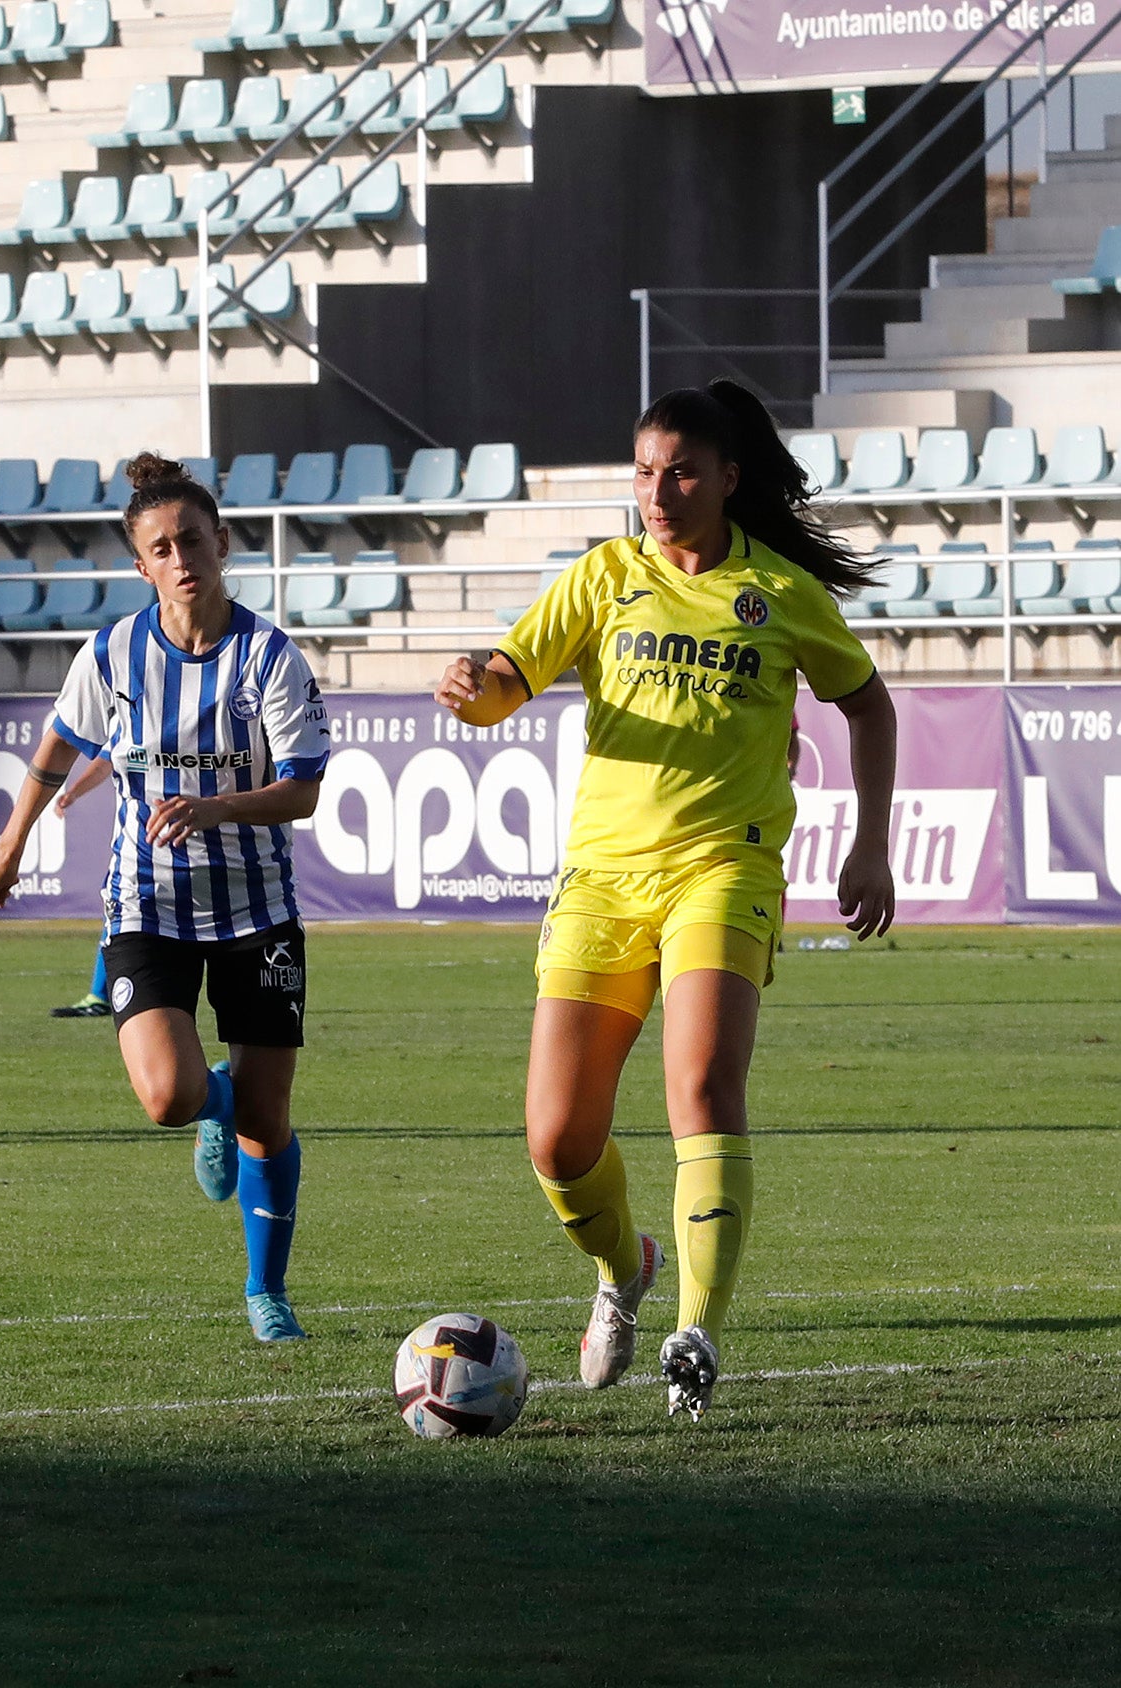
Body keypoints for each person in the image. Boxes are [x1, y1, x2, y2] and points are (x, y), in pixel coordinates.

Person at [434, 381, 897, 1419]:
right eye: (643, 471)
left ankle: (697, 1331)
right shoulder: (604, 576)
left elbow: (868, 702)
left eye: (680, 470)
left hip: (722, 870)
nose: (658, 491)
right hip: (602, 879)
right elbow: (516, 673)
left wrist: (870, 843)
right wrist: (477, 690)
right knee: (556, 1139)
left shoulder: (777, 593)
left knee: (701, 1084)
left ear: (729, 477)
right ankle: (623, 1267)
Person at [0, 452, 329, 1343]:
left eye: (194, 541)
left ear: (225, 544)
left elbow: (303, 791)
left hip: (257, 910)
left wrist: (215, 805)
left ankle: (266, 1291)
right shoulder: (114, 652)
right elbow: (58, 744)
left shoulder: (269, 655)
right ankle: (212, 1100)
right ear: (142, 566)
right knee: (172, 1098)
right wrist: (13, 839)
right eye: (162, 548)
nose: (182, 559)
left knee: (268, 1119)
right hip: (148, 905)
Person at [48, 756, 115, 1018]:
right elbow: (108, 758)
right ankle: (100, 995)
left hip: (191, 844)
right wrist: (74, 792)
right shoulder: (140, 720)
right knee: (119, 908)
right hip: (152, 846)